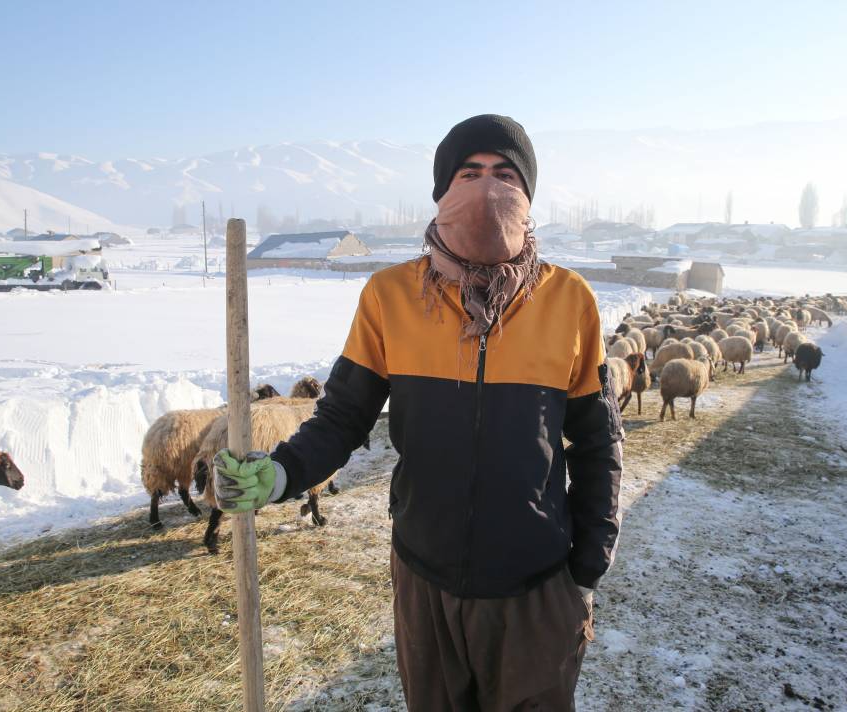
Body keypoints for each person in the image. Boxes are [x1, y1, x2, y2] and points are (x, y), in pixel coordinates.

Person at [214, 114, 624, 711]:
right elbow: (342, 418)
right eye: (470, 173)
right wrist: (279, 474)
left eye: (505, 175)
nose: (488, 188)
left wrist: (586, 568)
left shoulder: (569, 300)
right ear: (442, 194)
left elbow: (598, 444)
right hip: (424, 578)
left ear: (528, 197)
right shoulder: (390, 295)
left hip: (535, 585)